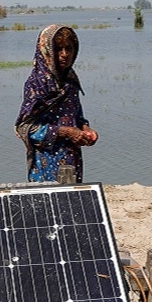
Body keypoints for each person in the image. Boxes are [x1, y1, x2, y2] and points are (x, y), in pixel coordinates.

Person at [15, 24, 98, 183]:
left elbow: (77, 116)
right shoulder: (37, 83)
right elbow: (24, 128)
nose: (64, 54)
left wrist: (86, 130)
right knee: (48, 203)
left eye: (69, 48)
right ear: (46, 50)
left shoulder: (70, 79)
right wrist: (64, 132)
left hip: (72, 157)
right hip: (45, 161)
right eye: (58, 49)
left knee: (71, 200)